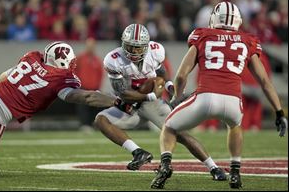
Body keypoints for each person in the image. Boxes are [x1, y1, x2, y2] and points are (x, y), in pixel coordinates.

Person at [150, 2, 288, 189]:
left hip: (205, 97)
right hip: (233, 101)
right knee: (235, 125)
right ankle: (235, 172)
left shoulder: (203, 35)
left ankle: (165, 164)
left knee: (169, 126)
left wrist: (176, 98)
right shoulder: (248, 40)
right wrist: (279, 112)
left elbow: (182, 75)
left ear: (214, 18)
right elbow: (265, 82)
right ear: (238, 20)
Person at [94, 23, 227, 180]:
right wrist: (150, 95)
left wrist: (170, 87)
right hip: (130, 105)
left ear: (147, 45)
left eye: (138, 47)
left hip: (152, 105)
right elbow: (123, 94)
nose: (134, 51)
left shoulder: (155, 51)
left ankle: (213, 167)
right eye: (130, 46)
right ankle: (138, 152)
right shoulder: (114, 59)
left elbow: (161, 72)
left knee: (180, 135)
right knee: (101, 120)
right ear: (123, 43)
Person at [0, 41, 114, 158]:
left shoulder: (32, 57)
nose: (73, 66)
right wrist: (116, 101)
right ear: (61, 62)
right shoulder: (59, 79)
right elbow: (88, 97)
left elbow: (3, 76)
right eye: (71, 62)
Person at [75, 37, 104, 131]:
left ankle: (92, 125)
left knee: (94, 107)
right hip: (83, 87)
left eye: (92, 46)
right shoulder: (80, 58)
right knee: (83, 107)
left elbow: (100, 74)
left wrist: (98, 86)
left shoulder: (97, 59)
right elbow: (74, 71)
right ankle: (84, 125)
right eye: (89, 46)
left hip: (94, 88)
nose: (90, 48)